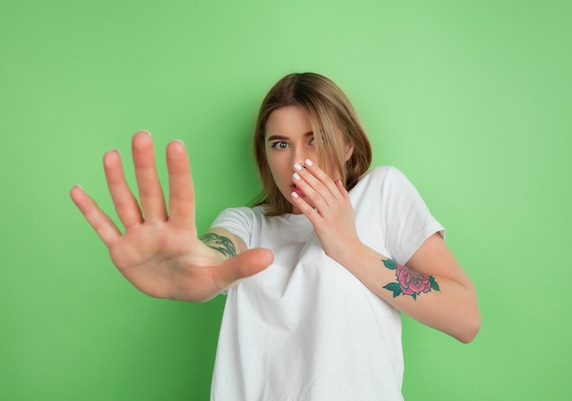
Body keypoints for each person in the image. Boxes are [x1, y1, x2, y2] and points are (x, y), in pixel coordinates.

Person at [70, 72, 480, 401]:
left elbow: (465, 318)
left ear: (350, 144)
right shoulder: (248, 223)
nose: (298, 161)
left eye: (314, 139)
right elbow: (217, 249)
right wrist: (191, 262)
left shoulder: (382, 193)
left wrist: (348, 247)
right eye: (280, 144)